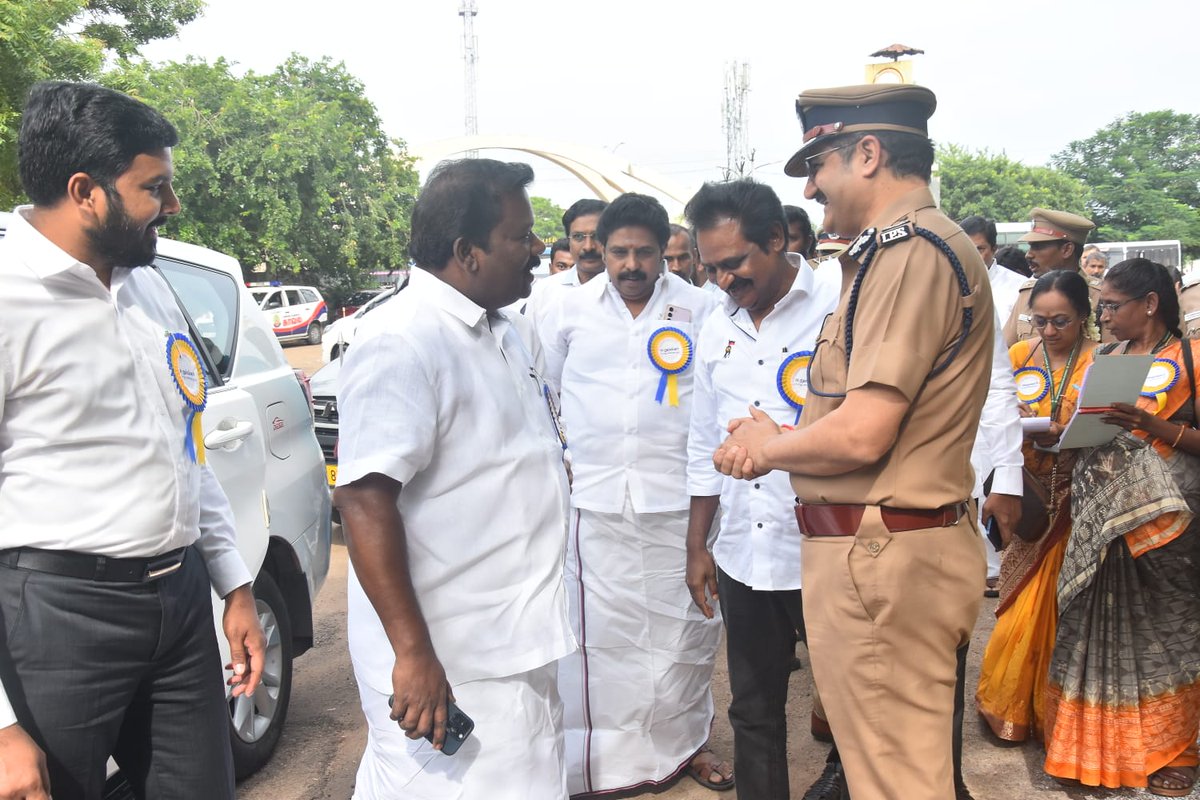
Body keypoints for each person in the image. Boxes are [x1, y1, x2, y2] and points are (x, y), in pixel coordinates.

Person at [714, 83, 994, 800]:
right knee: (890, 773)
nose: (810, 187)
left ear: (868, 154)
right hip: (880, 548)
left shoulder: (910, 254)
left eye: (820, 163)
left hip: (885, 555)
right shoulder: (892, 254)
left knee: (895, 783)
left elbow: (866, 430)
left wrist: (769, 446)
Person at [0, 81, 264, 800]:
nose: (172, 207)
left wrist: (232, 585)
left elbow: (184, 450)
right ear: (85, 190)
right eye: (155, 188)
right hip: (56, 617)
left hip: (176, 606)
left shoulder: (146, 287)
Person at [334, 158, 575, 799]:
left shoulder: (507, 327)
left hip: (516, 640)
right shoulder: (402, 338)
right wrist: (413, 655)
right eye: (520, 236)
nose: (537, 249)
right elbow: (363, 501)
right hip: (453, 659)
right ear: (468, 252)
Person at [540, 193, 728, 795]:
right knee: (602, 641)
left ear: (666, 253)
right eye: (618, 251)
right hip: (594, 503)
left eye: (644, 253)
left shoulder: (702, 309)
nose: (630, 265)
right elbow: (542, 391)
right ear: (599, 248)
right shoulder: (566, 310)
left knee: (684, 635)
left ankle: (685, 746)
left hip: (682, 502)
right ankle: (600, 764)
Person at [683, 178, 840, 800]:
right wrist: (699, 545)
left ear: (777, 239)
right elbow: (701, 442)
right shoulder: (713, 321)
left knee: (854, 704)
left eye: (735, 264)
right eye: (711, 267)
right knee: (752, 708)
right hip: (744, 554)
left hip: (827, 544)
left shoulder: (839, 302)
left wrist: (781, 444)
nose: (722, 281)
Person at [1041, 258, 1200, 796]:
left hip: (1168, 525)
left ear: (1149, 304)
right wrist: (1063, 430)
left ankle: (1177, 748)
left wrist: (1157, 427)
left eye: (1111, 306)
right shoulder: (1101, 357)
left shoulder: (1192, 357)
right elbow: (1069, 421)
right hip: (1098, 521)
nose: (1103, 316)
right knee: (1093, 623)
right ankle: (1093, 746)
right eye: (1101, 305)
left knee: (1166, 630)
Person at [976, 270, 1098, 745]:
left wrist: (1064, 429)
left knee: (1066, 610)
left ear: (1084, 317)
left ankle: (1058, 717)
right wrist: (1015, 422)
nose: (1048, 331)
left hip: (1076, 494)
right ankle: (1008, 706)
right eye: (1040, 320)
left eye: (1060, 322)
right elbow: (990, 414)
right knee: (1020, 607)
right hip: (1025, 492)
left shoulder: (1099, 361)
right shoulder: (1016, 356)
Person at [1002, 208, 1102, 345]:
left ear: (1067, 250)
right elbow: (1005, 351)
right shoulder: (1027, 292)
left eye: (1038, 247)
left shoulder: (1100, 296)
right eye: (1030, 247)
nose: (1028, 255)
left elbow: (1111, 355)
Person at [524, 198, 607, 332]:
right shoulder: (544, 292)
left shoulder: (630, 290)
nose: (588, 247)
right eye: (578, 237)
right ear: (569, 240)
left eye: (596, 236)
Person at [960, 215, 1024, 323]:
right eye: (966, 248)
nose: (971, 255)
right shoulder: (946, 286)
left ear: (994, 249)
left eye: (979, 249)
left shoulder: (1019, 287)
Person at [664, 222, 712, 289]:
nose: (676, 267)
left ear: (694, 256)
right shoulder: (647, 298)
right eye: (668, 259)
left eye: (683, 258)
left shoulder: (708, 298)